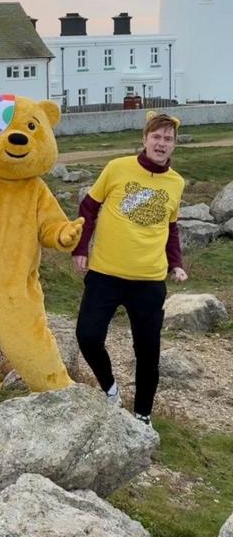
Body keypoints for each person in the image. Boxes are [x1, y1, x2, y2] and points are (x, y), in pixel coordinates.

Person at [72, 111, 188, 426]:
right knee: (88, 336)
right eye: (156, 137)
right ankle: (110, 389)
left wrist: (176, 264)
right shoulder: (117, 168)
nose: (161, 143)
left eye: (168, 139)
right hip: (105, 275)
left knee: (148, 352)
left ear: (174, 145)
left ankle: (143, 416)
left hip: (149, 281)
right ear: (145, 139)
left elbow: (172, 227)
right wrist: (81, 247)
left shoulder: (176, 183)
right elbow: (89, 207)